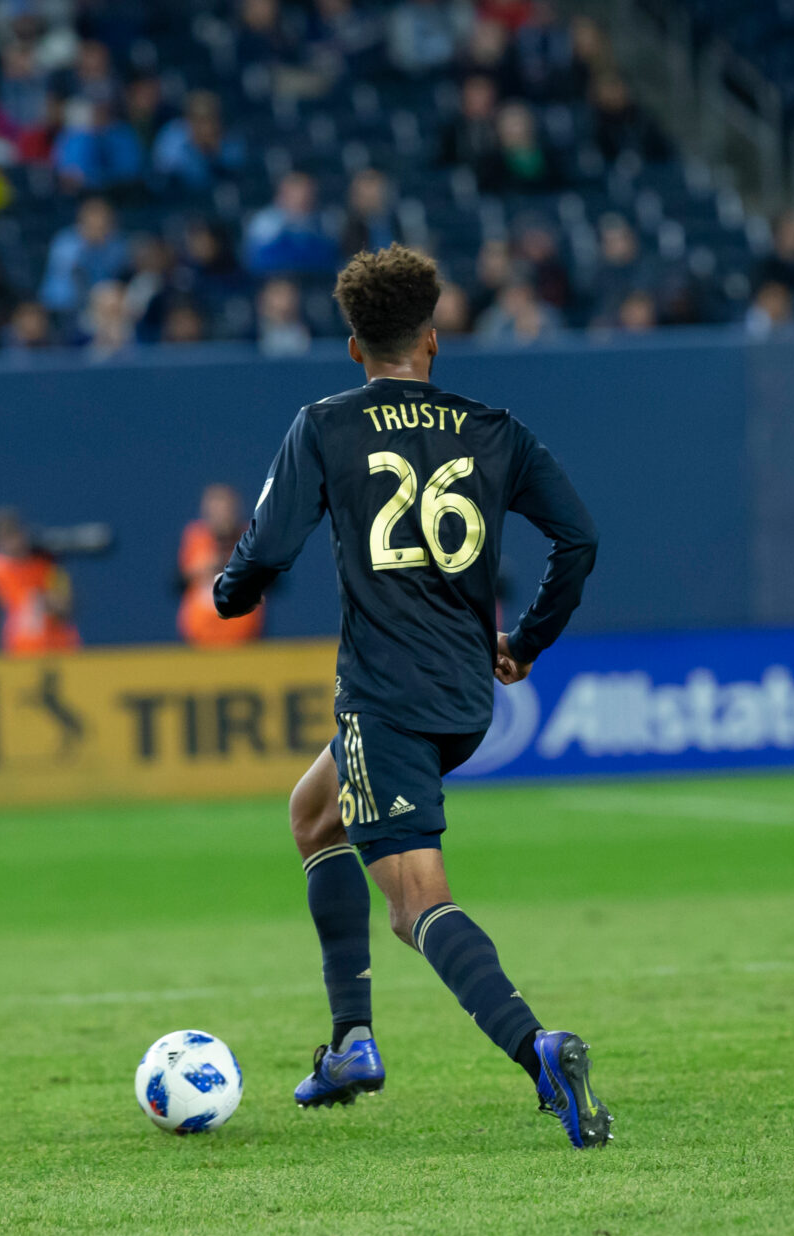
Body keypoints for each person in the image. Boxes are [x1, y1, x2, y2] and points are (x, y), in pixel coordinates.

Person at [212, 244, 610, 1148]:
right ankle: (352, 1039)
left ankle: (537, 1048)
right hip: (466, 694)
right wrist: (528, 642)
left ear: (355, 348)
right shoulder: (495, 429)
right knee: (314, 816)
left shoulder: (326, 423)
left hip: (384, 696)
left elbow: (267, 551)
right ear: (434, 340)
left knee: (415, 904)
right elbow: (578, 541)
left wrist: (230, 592)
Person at [0, 506, 80, 654]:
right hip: (16, 651)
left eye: (14, 533)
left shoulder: (46, 564)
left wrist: (54, 604)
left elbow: (66, 606)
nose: (12, 541)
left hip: (59, 648)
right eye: (3, 536)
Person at [177, 483, 262, 646]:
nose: (221, 515)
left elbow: (274, 580)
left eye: (226, 508)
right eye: (215, 508)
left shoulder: (249, 538)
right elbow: (177, 582)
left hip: (243, 636)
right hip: (199, 636)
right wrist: (200, 569)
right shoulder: (195, 537)